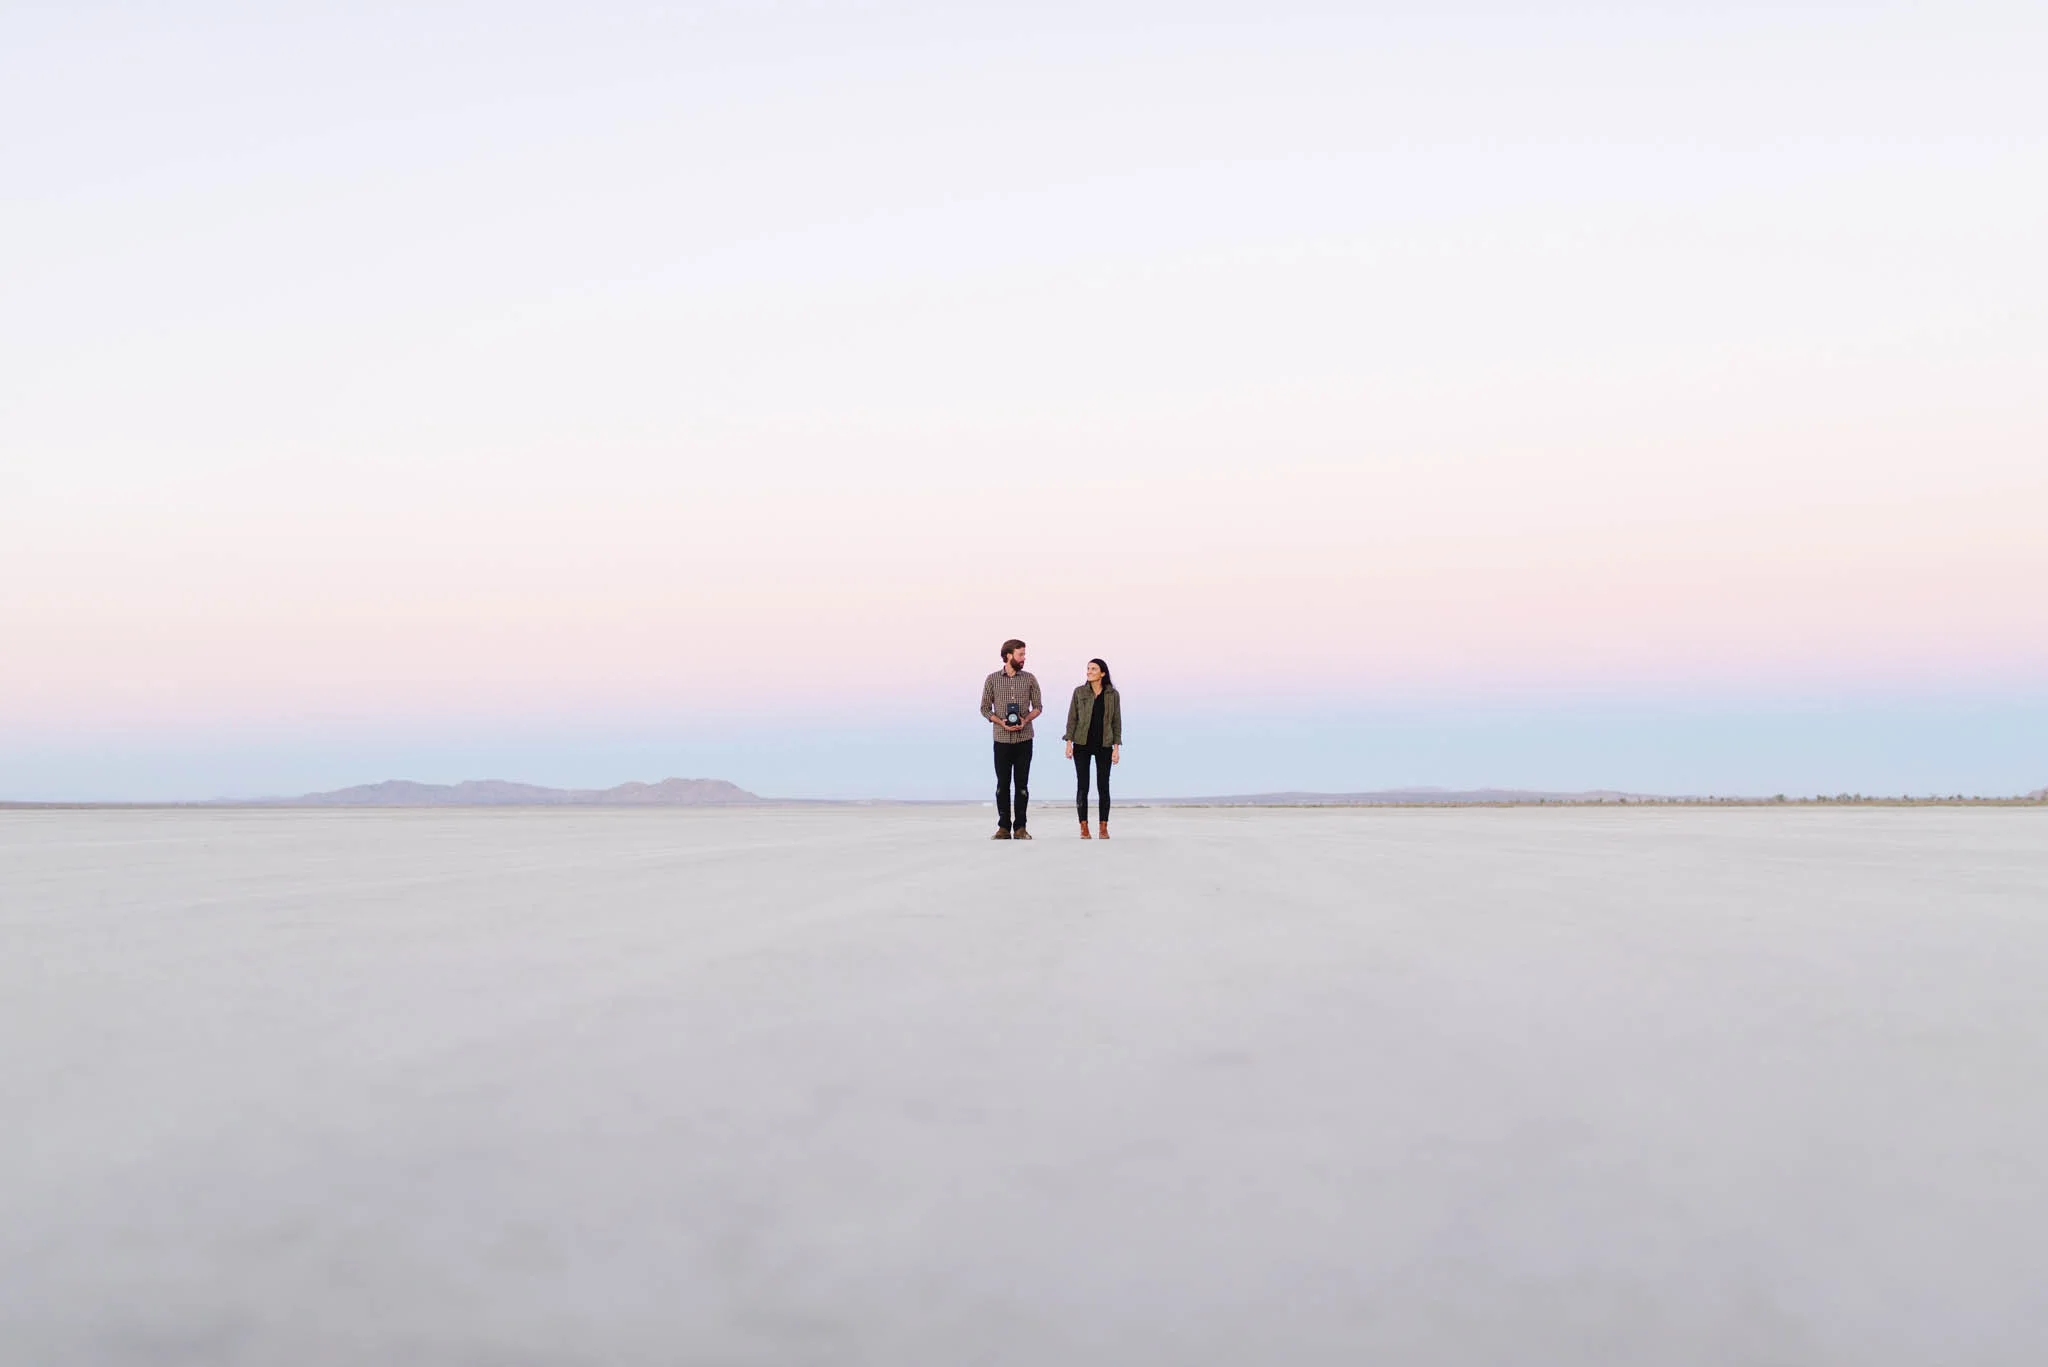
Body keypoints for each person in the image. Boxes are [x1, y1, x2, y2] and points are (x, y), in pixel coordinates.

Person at [979, 638, 1042, 840]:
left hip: (1025, 739)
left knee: (1022, 785)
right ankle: (1003, 827)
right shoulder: (992, 679)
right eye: (1020, 654)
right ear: (1008, 655)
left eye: (1024, 654)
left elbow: (1039, 707)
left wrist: (1025, 720)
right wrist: (1000, 722)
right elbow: (984, 708)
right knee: (1002, 785)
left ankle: (1021, 827)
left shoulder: (1030, 678)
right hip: (1001, 740)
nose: (1024, 658)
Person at [1064, 657, 1122, 839]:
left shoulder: (1113, 694)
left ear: (1102, 673)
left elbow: (1116, 722)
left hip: (1104, 744)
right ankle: (1084, 827)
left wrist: (1116, 748)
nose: (1089, 671)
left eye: (1093, 669)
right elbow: (1072, 718)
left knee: (1103, 786)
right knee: (1083, 786)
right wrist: (1068, 743)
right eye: (1088, 668)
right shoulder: (1079, 692)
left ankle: (1103, 827)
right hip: (1081, 744)